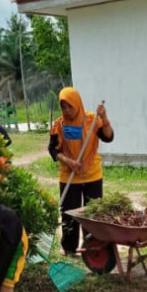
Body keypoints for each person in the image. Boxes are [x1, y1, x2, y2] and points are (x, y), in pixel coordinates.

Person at [48, 88, 114, 254]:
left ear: (77, 104)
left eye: (70, 106)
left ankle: (91, 246)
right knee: (69, 214)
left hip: (92, 175)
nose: (67, 111)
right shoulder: (59, 125)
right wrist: (68, 161)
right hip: (68, 175)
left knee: (92, 214)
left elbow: (108, 137)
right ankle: (69, 248)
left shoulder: (92, 120)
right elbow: (52, 150)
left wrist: (104, 117)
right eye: (63, 107)